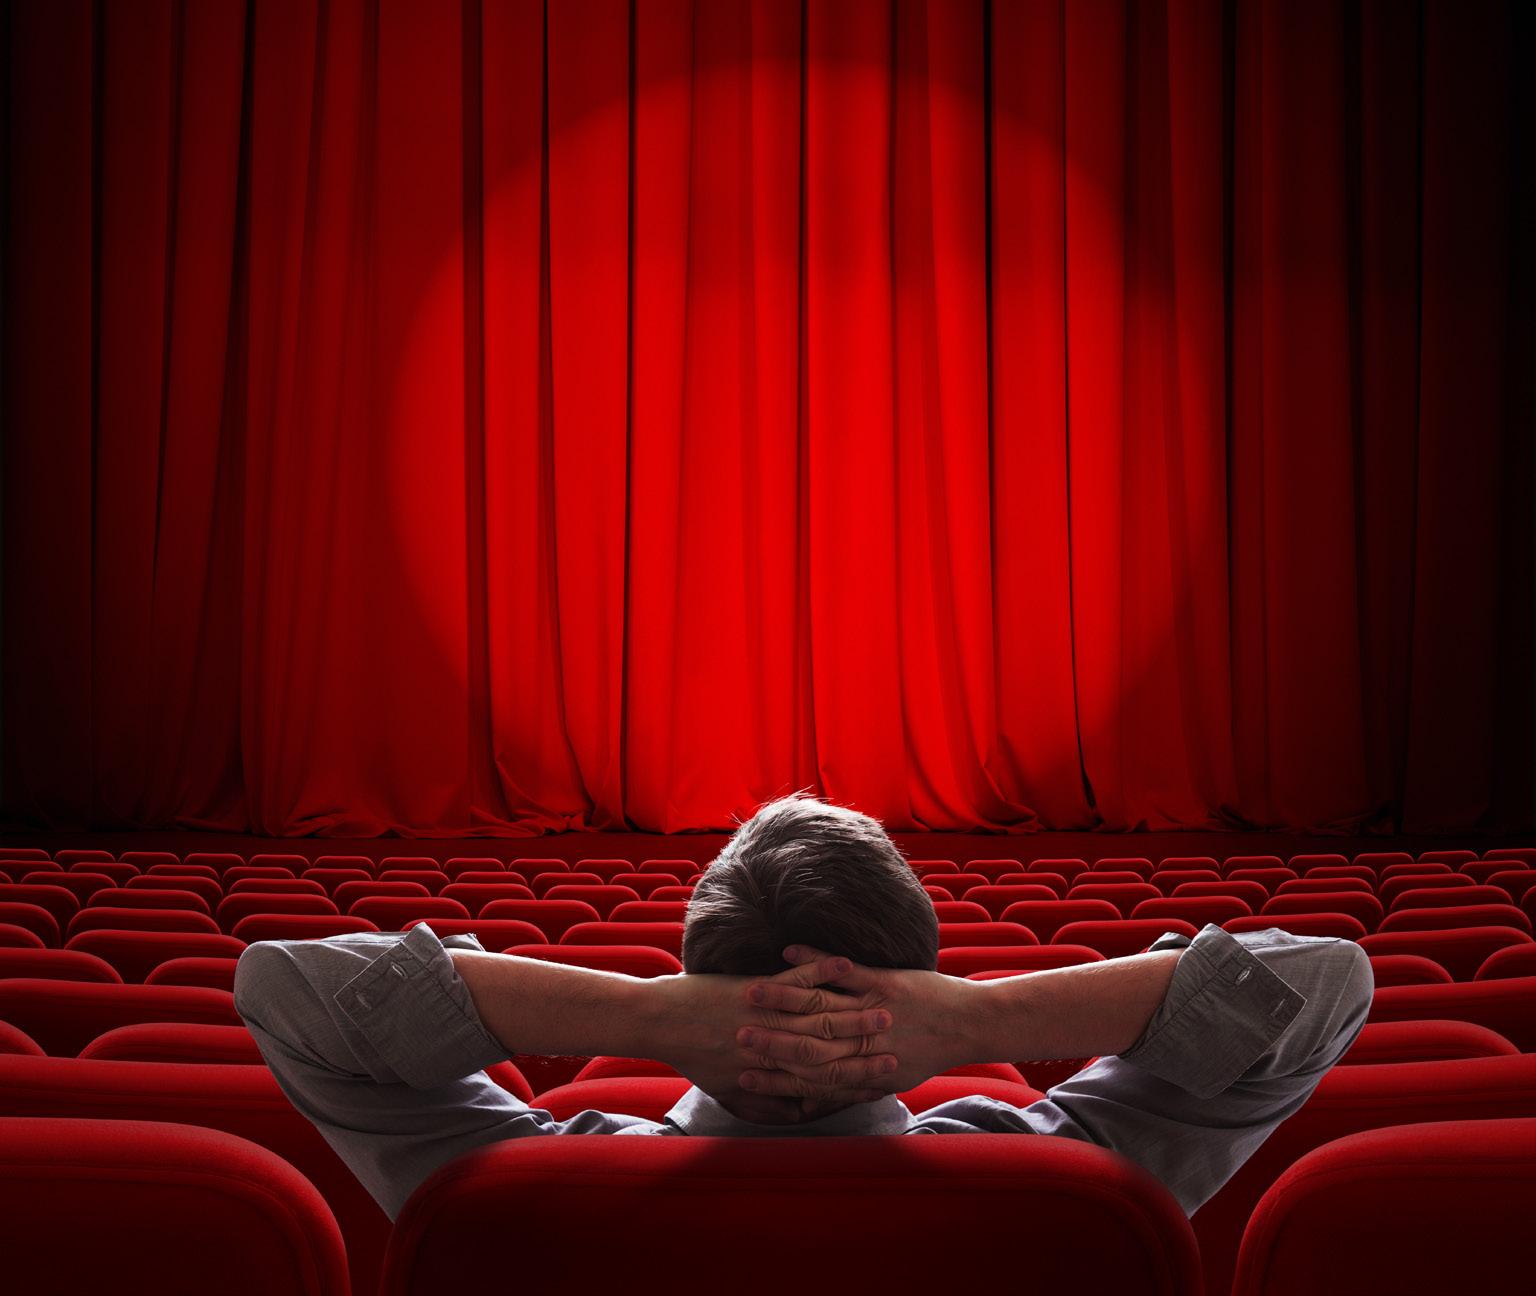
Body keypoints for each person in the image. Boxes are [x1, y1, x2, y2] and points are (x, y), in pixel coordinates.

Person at [234, 795, 1374, 1222]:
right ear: (919, 984)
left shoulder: (523, 1189)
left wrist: (645, 1020)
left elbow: (283, 987)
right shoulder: (1074, 1181)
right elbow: (1325, 984)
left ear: (693, 980)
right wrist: (974, 1024)